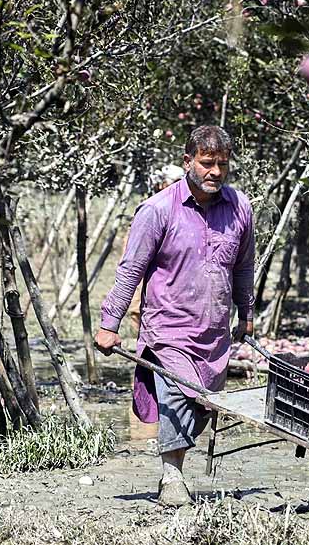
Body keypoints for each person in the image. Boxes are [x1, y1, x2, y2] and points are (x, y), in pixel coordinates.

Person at [95, 125, 254, 507]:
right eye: (206, 163)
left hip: (214, 331)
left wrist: (246, 315)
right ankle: (172, 477)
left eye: (222, 164)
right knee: (178, 394)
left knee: (201, 402)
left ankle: (176, 467)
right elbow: (131, 269)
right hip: (169, 327)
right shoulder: (158, 210)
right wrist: (109, 324)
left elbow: (244, 266)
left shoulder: (240, 208)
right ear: (188, 162)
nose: (215, 171)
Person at [125, 164, 185, 443]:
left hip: (174, 305)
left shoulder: (180, 212)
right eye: (172, 182)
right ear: (161, 185)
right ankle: (151, 413)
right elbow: (133, 265)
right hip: (150, 301)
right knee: (151, 357)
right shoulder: (151, 211)